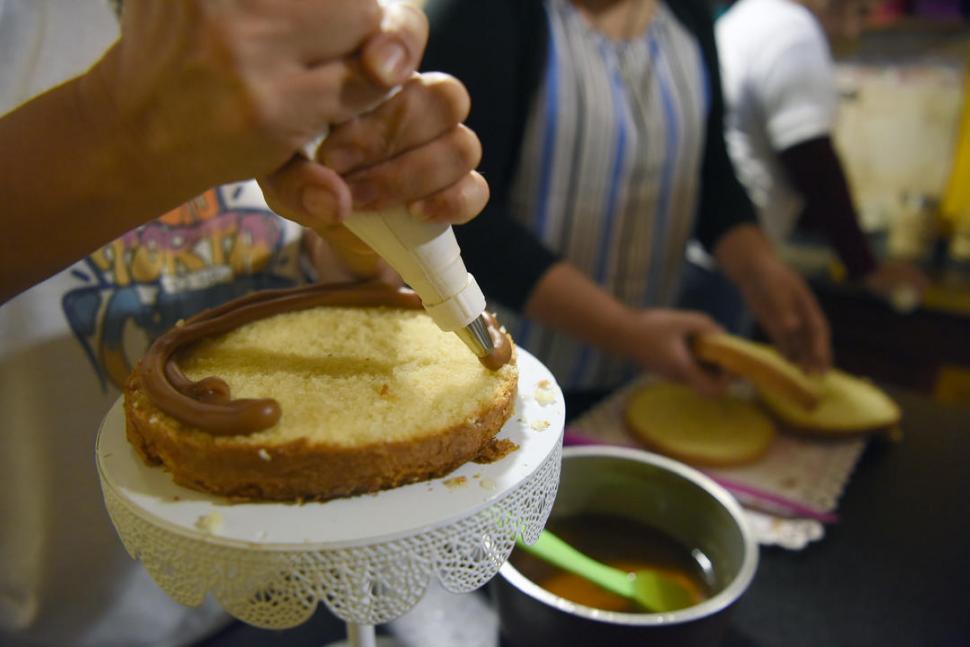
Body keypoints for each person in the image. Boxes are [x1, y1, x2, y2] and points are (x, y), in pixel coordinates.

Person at [0, 1, 487, 645]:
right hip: (79, 623)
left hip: (301, 573)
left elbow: (291, 274)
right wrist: (112, 122)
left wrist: (356, 248)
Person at [416, 0, 831, 409]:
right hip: (512, 377)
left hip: (644, 376)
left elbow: (712, 175)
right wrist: (627, 331)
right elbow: (467, 222)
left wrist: (759, 267)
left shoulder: (686, 17)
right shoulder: (484, 13)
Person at [712, 0, 929, 311]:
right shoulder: (794, 34)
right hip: (736, 259)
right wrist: (865, 267)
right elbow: (810, 159)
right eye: (857, 11)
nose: (853, 30)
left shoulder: (746, 16)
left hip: (709, 248)